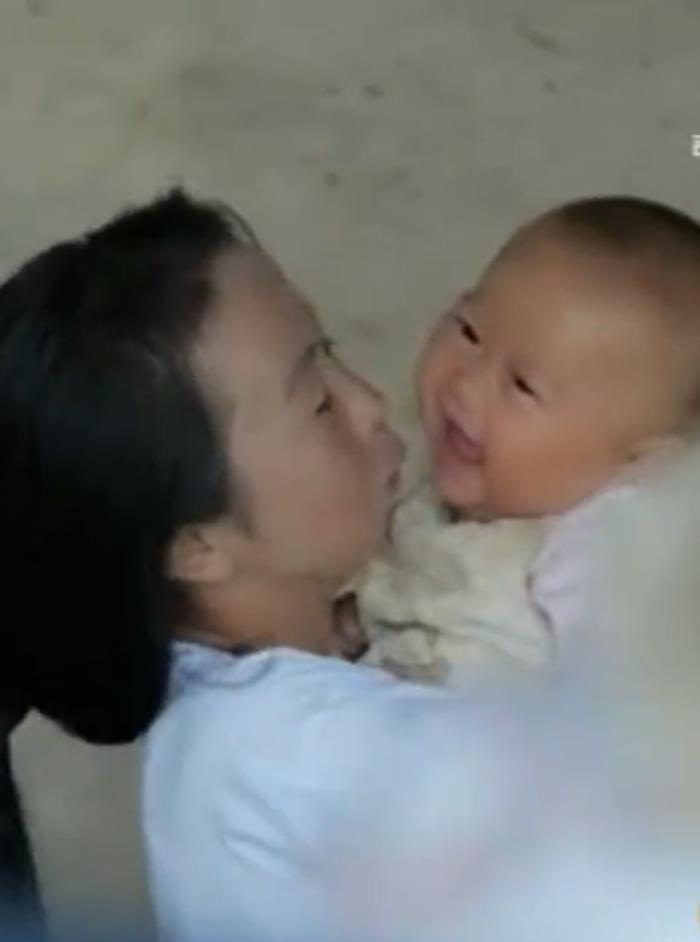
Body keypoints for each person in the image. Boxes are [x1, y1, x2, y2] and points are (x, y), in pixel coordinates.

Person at [358, 197, 700, 682]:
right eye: (469, 331)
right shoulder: (453, 490)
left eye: (522, 385)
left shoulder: (602, 558)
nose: (467, 383)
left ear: (638, 467)